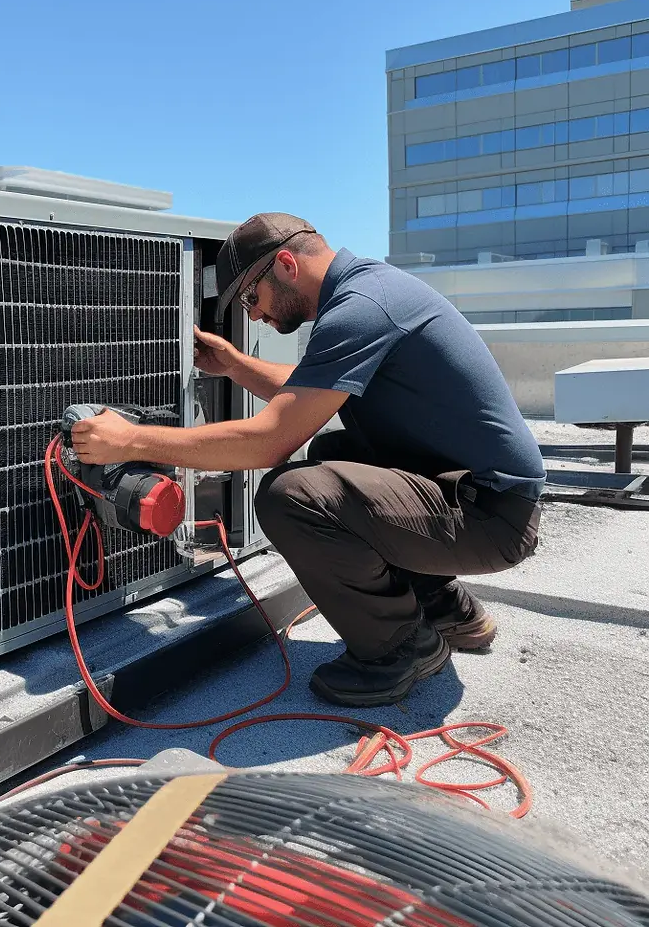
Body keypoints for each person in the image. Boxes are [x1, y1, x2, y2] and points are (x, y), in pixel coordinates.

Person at [69, 213, 545, 707]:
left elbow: (268, 442)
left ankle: (399, 648)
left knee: (291, 496)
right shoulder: (370, 289)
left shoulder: (363, 307)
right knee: (332, 454)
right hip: (476, 495)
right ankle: (447, 607)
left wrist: (131, 441)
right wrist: (233, 363)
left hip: (492, 517)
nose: (252, 316)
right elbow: (307, 389)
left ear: (286, 265)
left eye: (252, 298)